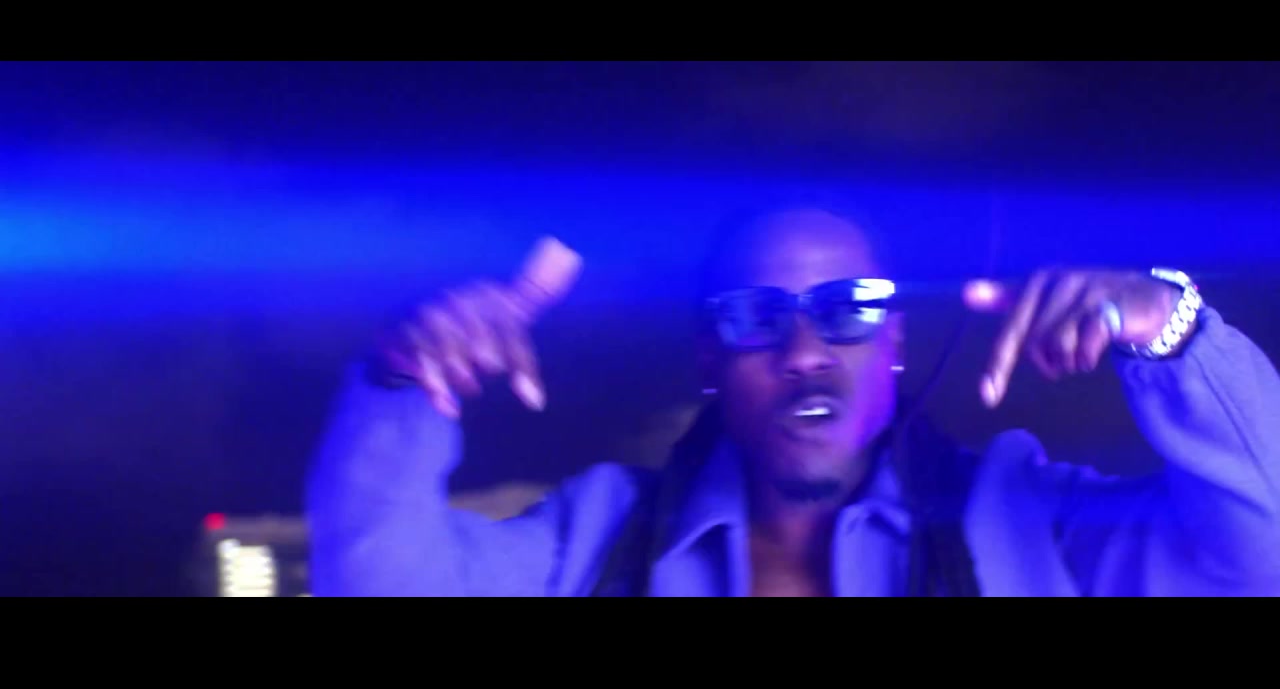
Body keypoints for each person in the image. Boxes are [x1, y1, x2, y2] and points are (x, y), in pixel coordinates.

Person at [305, 202, 1280, 596]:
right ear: (708, 357)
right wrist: (406, 381)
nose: (804, 351)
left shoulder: (1028, 516)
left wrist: (1169, 328)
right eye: (754, 317)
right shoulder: (595, 535)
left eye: (848, 310)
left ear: (895, 344)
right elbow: (377, 580)